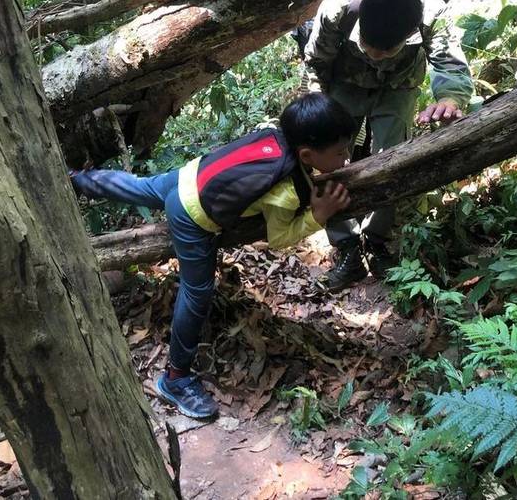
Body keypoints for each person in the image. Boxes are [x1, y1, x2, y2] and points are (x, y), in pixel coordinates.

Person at [70, 93, 356, 419]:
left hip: (187, 178)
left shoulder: (274, 137)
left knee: (140, 187)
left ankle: (77, 180)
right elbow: (280, 238)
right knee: (197, 293)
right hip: (191, 216)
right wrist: (318, 216)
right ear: (306, 154)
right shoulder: (287, 190)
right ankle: (175, 379)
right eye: (340, 152)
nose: (346, 158)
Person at [303, 0, 473, 291]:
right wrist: (316, 109)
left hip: (399, 86)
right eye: (368, 47)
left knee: (392, 160)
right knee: (329, 158)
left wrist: (449, 99)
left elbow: (450, 63)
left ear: (408, 35)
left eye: (386, 52)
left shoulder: (432, 13)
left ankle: (376, 240)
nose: (376, 57)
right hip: (345, 83)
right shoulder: (338, 9)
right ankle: (347, 247)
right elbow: (316, 63)